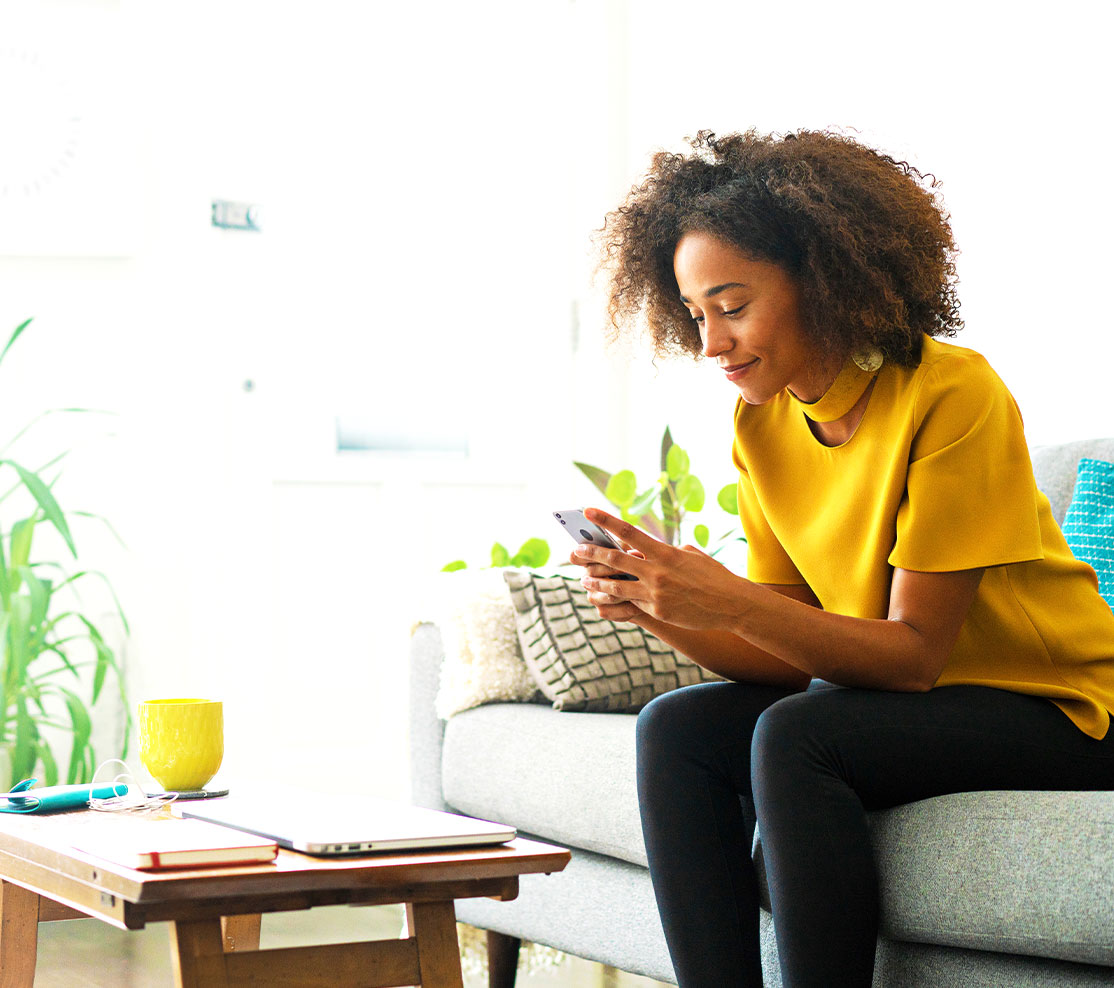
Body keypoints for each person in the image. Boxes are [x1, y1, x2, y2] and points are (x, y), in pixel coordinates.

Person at [569, 129, 1114, 988]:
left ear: (820, 282)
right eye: (696, 313)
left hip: (1065, 709)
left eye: (733, 304)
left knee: (800, 736)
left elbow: (912, 657)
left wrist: (726, 597)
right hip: (921, 702)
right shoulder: (764, 423)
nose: (711, 342)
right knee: (676, 727)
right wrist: (663, 607)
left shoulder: (950, 394)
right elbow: (786, 657)